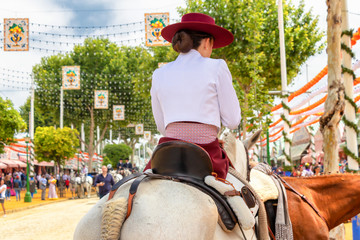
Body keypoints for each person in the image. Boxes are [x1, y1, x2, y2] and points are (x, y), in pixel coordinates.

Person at [144, 13, 240, 179]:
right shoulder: (217, 66)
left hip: (167, 155)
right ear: (207, 42)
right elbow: (232, 121)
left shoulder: (159, 74)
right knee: (242, 200)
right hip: (207, 154)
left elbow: (162, 126)